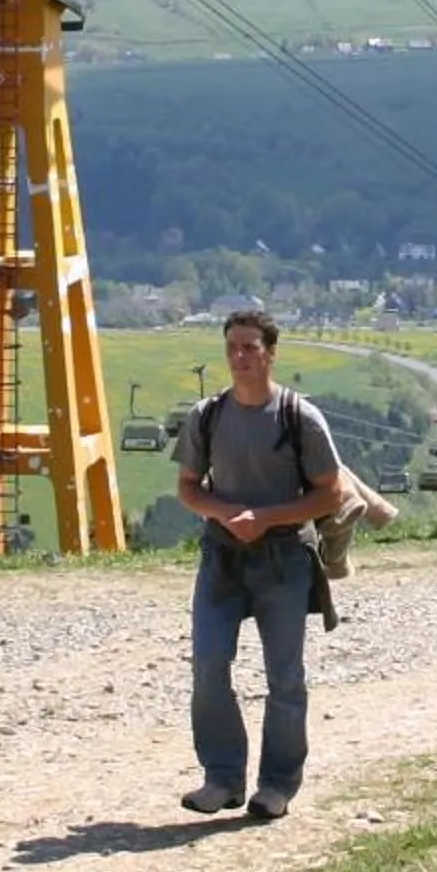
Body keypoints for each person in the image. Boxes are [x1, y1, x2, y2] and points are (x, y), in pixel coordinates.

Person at [174, 308, 344, 822]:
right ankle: (222, 779)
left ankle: (276, 786)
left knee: (284, 677)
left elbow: (329, 494)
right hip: (222, 557)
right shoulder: (207, 415)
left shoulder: (300, 418)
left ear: (271, 352)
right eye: (232, 348)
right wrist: (227, 513)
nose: (239, 357)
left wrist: (266, 517)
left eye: (249, 347)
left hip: (285, 558)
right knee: (208, 666)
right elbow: (187, 487)